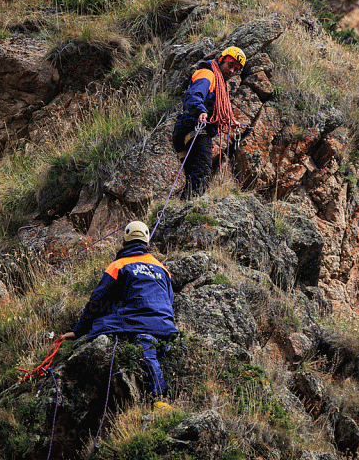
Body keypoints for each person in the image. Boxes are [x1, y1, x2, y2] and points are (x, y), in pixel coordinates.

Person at [59, 221, 178, 399]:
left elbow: (97, 301)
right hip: (166, 327)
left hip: (138, 324)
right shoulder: (163, 269)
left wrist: (79, 331)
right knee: (149, 349)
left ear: (123, 244)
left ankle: (158, 397)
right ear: (147, 244)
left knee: (102, 325)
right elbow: (169, 301)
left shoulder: (118, 266)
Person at [172, 46, 246, 200]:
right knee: (202, 170)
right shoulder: (208, 74)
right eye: (230, 65)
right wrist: (201, 110)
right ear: (221, 60)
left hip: (188, 131)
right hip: (195, 128)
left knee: (194, 174)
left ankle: (185, 207)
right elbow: (194, 96)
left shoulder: (219, 82)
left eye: (236, 69)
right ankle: (193, 209)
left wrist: (229, 122)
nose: (232, 71)